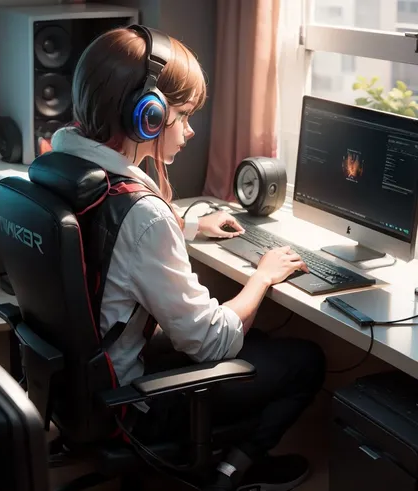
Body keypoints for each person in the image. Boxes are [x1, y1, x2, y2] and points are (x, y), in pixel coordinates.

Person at [49, 25, 326, 491]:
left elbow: (106, 239)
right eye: (184, 115)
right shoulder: (145, 216)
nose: (192, 129)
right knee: (306, 361)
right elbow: (212, 342)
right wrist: (262, 277)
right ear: (148, 117)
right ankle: (231, 473)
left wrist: (192, 226)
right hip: (131, 407)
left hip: (78, 389)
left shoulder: (63, 163)